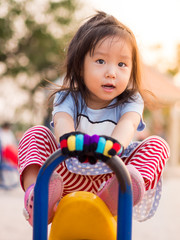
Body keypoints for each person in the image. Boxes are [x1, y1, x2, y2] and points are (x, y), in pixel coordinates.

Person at [18, 11, 170, 226]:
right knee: (35, 134)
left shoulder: (131, 100)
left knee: (157, 145)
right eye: (100, 61)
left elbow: (129, 124)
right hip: (66, 172)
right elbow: (62, 121)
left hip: (110, 176)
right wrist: (70, 139)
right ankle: (39, 195)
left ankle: (117, 196)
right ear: (80, 66)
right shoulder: (68, 96)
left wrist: (114, 146)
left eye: (122, 64)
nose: (111, 73)